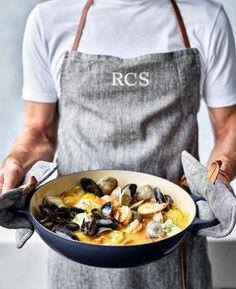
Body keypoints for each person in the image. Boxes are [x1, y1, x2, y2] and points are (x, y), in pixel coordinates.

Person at [0, 0, 236, 288]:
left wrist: (217, 177)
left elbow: (228, 125)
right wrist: (15, 164)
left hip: (173, 241)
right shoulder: (48, 19)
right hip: (75, 246)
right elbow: (38, 130)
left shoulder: (206, 18)